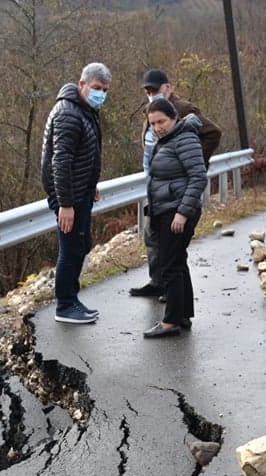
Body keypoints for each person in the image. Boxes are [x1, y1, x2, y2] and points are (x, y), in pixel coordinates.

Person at [130, 68, 222, 300]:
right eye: (148, 91)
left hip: (175, 188)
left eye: (156, 90)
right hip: (155, 182)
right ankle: (158, 281)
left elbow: (213, 133)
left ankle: (172, 293)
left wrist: (192, 163)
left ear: (168, 88)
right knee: (152, 236)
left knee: (172, 248)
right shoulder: (151, 111)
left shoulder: (183, 110)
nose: (152, 94)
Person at [41, 62, 112, 324]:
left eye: (104, 90)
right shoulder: (69, 113)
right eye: (96, 88)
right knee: (70, 249)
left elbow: (84, 154)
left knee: (81, 244)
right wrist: (66, 204)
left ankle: (73, 298)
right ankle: (65, 305)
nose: (100, 94)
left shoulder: (85, 110)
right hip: (68, 196)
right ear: (82, 84)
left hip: (80, 191)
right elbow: (61, 162)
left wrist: (90, 183)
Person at [142, 98, 208, 338]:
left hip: (177, 210)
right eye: (152, 124)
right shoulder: (167, 140)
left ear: (174, 118)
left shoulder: (185, 138)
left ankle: (170, 322)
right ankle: (182, 315)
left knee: (169, 265)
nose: (157, 127)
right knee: (177, 262)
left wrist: (181, 213)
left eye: (162, 121)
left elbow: (198, 177)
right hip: (166, 208)